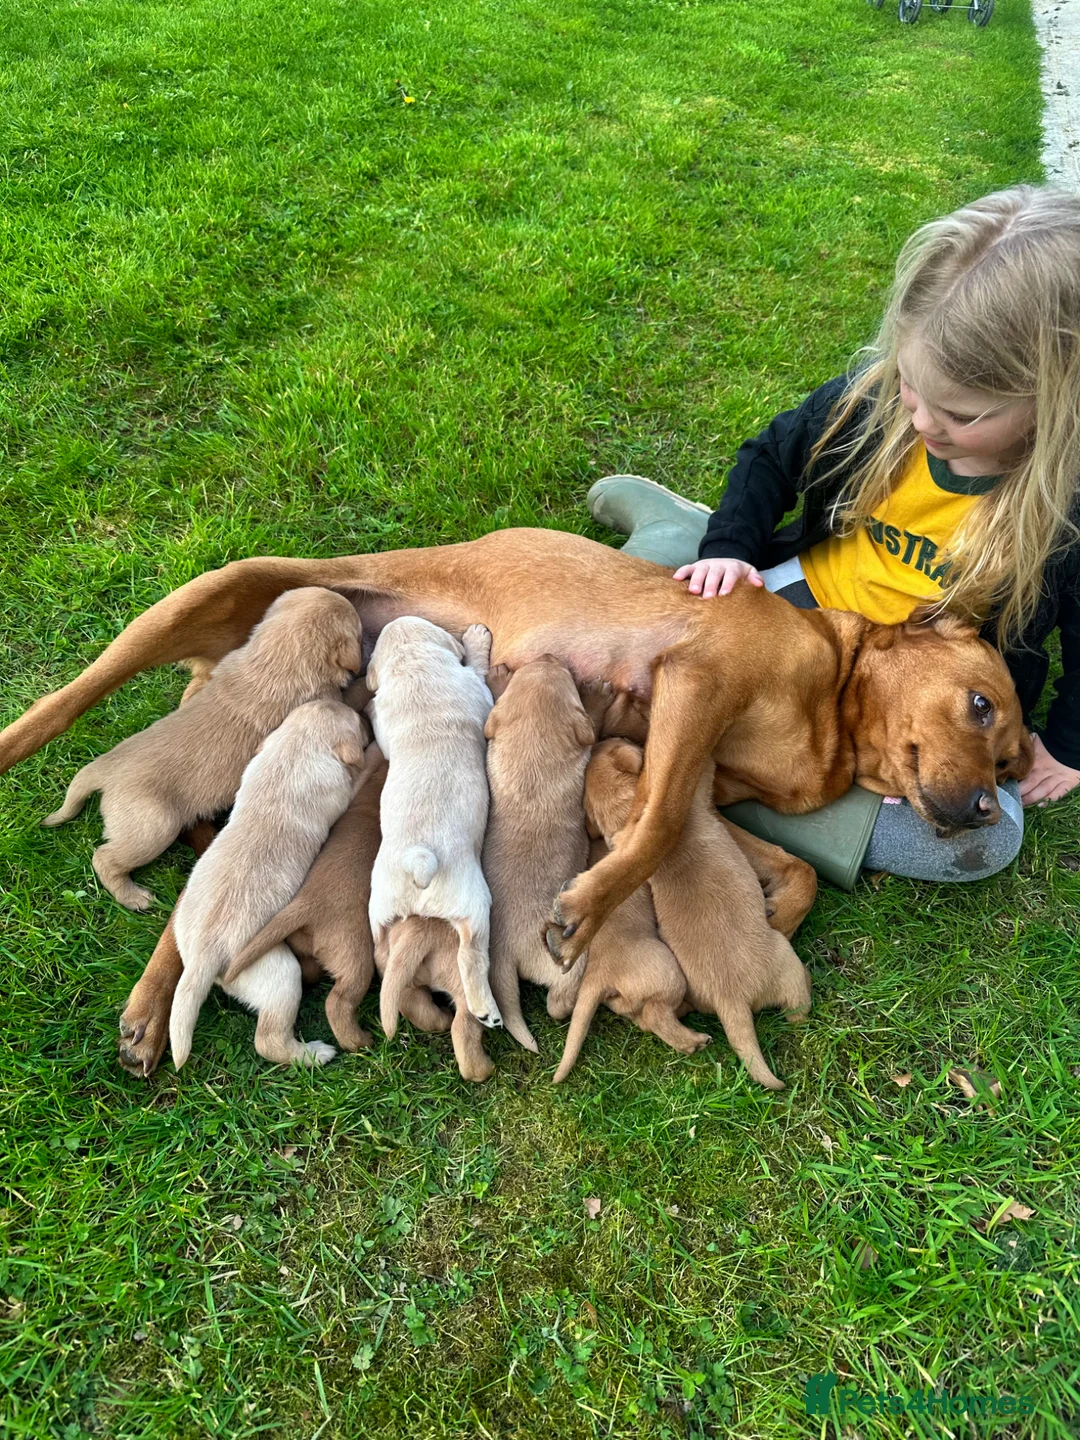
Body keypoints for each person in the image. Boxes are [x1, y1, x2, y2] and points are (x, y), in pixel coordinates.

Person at [587, 185, 1080, 888]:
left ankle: (696, 770)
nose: (923, 424)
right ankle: (681, 530)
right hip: (803, 607)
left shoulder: (1067, 508)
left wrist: (1068, 746)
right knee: (667, 611)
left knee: (979, 844)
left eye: (961, 414)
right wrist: (727, 549)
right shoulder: (869, 402)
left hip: (919, 679)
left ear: (1057, 401)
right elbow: (767, 457)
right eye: (913, 387)